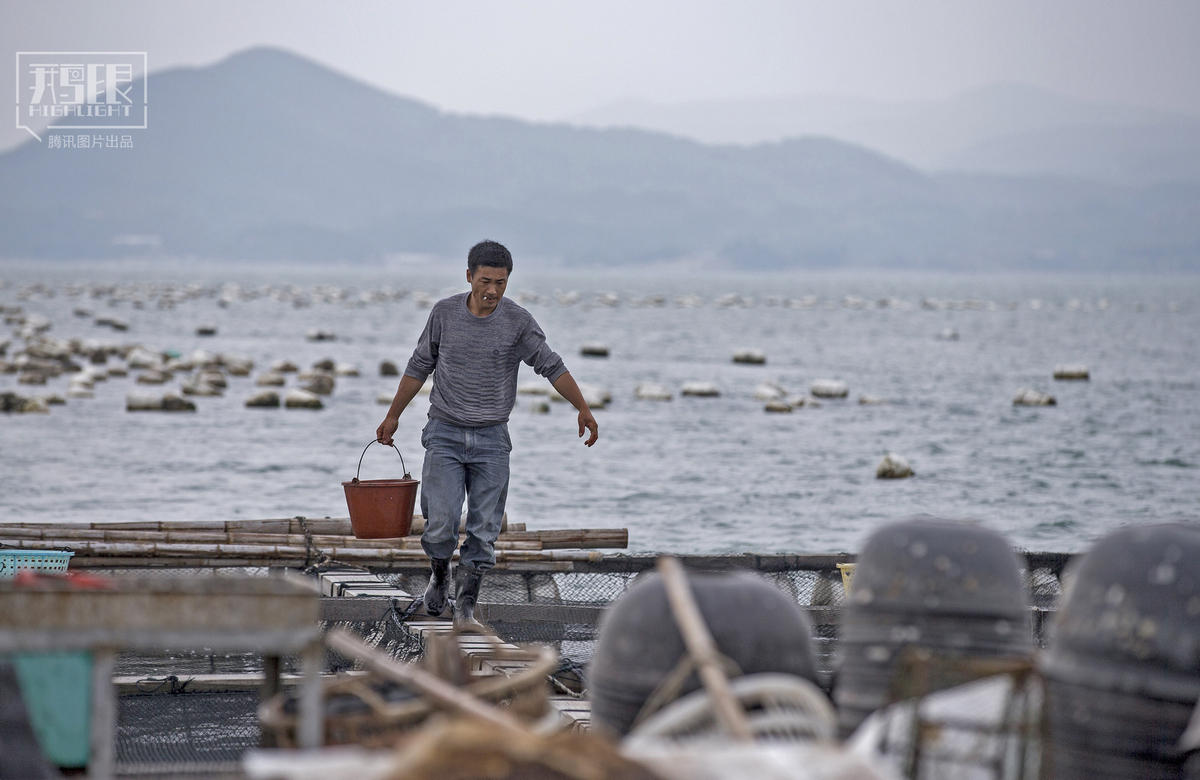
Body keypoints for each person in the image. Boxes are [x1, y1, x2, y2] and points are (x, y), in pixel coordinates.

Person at [376, 240, 599, 624]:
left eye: (500, 282)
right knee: (442, 521)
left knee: (484, 530)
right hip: (444, 433)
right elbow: (418, 366)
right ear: (469, 277)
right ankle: (440, 576)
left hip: (492, 441)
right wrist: (393, 415)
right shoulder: (444, 314)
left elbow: (551, 365)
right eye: (485, 280)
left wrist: (583, 407)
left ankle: (466, 605)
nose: (492, 290)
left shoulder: (518, 322)